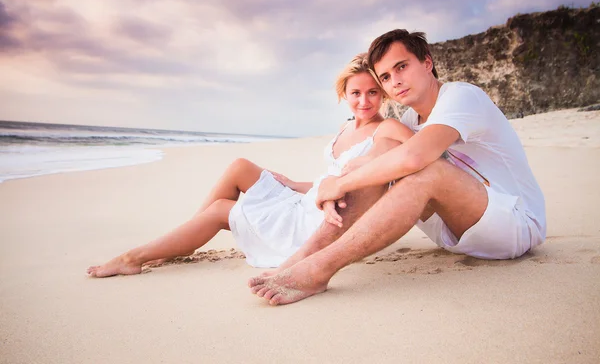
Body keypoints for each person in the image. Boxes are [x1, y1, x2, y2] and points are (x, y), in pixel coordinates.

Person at [249, 29, 546, 306]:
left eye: (402, 67)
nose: (395, 81)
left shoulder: (461, 96)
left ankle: (318, 269)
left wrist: (339, 185)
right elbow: (379, 162)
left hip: (514, 226)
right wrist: (337, 183)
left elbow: (415, 158)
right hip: (453, 233)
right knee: (384, 150)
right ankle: (307, 253)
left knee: (424, 170)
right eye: (386, 77)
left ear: (427, 62)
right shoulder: (406, 123)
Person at [86, 53, 413, 277]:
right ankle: (180, 237)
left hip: (317, 221)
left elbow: (398, 154)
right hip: (311, 198)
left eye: (373, 92)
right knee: (241, 166)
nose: (364, 101)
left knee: (219, 211)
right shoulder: (346, 127)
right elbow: (326, 178)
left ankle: (134, 258)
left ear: (383, 94)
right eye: (356, 93)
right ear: (344, 93)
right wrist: (292, 183)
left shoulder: (387, 129)